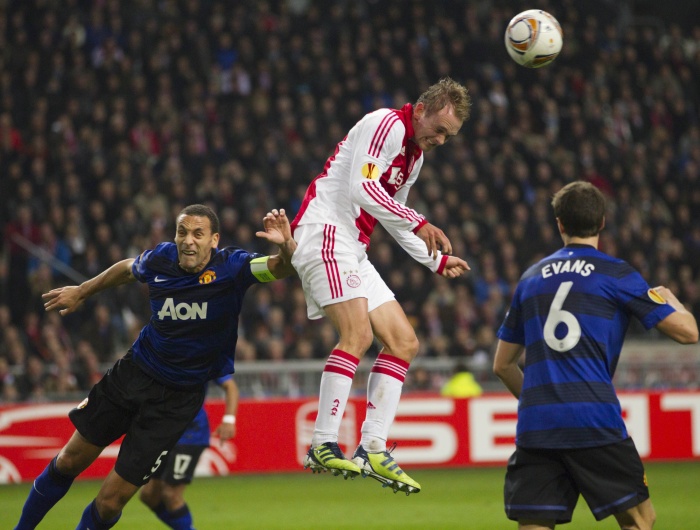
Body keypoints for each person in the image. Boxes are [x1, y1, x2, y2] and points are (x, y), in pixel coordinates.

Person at [14, 205, 296, 530]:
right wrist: (82, 291)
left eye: (198, 234)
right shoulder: (161, 258)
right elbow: (126, 269)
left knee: (110, 503)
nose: (188, 241)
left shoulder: (233, 267)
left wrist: (286, 246)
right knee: (68, 461)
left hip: (176, 403)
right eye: (182, 232)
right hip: (133, 375)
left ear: (214, 240)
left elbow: (281, 267)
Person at [292, 77, 472, 494]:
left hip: (353, 246)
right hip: (326, 230)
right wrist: (420, 222)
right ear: (421, 110)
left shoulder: (414, 157)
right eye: (439, 130)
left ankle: (372, 447)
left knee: (404, 342)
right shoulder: (386, 125)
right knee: (357, 335)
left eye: (449, 137)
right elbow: (363, 188)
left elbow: (394, 216)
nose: (440, 141)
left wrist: (435, 259)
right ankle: (322, 442)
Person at [493, 181, 698, 529]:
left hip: (537, 426)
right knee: (639, 520)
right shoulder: (616, 274)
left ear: (559, 223)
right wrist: (671, 300)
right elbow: (688, 333)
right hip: (593, 419)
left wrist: (541, 402)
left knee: (534, 524)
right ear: (602, 221)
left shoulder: (530, 279)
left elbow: (502, 365)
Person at [139, 376, 239, 530]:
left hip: (190, 435)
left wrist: (229, 420)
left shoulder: (202, 360)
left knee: (171, 493)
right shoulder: (158, 360)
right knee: (149, 495)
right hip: (163, 433)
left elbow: (230, 386)